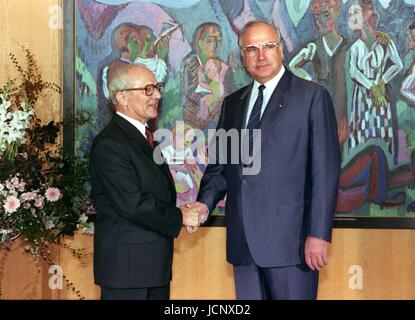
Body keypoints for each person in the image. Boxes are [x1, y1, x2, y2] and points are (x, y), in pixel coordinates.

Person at [189, 20, 340, 300]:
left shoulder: (312, 98)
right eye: (252, 49)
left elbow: (325, 173)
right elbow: (221, 166)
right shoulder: (233, 103)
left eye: (268, 46)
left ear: (280, 48)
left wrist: (318, 234)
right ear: (242, 57)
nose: (261, 56)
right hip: (243, 244)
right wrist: (203, 204)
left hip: (292, 246)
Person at [90, 63, 199, 300]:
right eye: (148, 89)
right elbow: (132, 204)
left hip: (151, 269)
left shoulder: (143, 137)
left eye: (157, 87)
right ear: (122, 97)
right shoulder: (110, 144)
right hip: (128, 272)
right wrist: (180, 217)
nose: (158, 95)